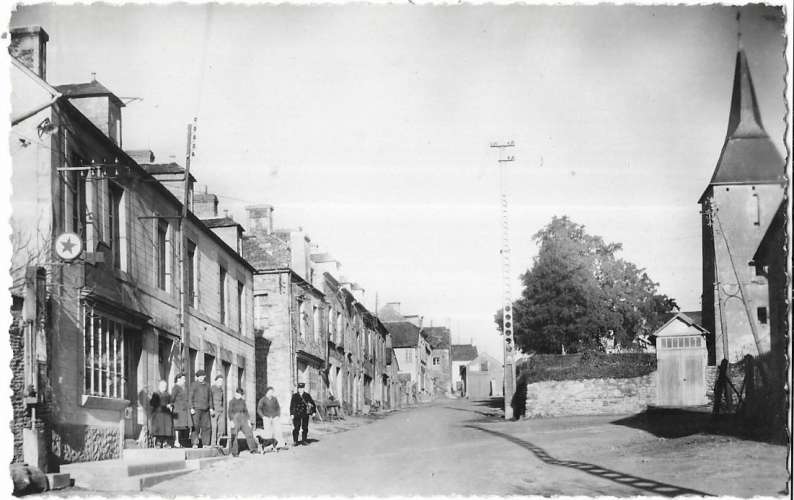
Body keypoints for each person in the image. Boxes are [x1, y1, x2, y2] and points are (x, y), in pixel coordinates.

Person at [227, 388, 259, 456]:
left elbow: (246, 411)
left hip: (243, 418)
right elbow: (229, 412)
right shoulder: (231, 401)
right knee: (234, 435)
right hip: (235, 418)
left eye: (241, 395)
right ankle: (235, 452)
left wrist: (248, 421)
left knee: (249, 433)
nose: (240, 396)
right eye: (239, 394)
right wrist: (231, 421)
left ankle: (253, 449)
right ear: (236, 393)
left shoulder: (243, 401)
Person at [189, 369, 214, 448]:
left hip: (206, 409)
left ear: (204, 376)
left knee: (207, 426)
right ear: (197, 377)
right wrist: (191, 407)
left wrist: (211, 408)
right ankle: (195, 443)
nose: (201, 378)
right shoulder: (194, 385)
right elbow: (190, 397)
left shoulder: (207, 385)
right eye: (199, 377)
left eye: (202, 376)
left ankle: (205, 443)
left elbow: (210, 397)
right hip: (196, 409)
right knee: (195, 426)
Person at [150, 380, 174, 448]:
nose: (164, 387)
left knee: (166, 429)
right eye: (162, 386)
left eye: (165, 386)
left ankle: (166, 443)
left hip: (166, 415)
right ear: (159, 386)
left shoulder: (168, 394)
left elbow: (171, 402)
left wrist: (170, 405)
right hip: (158, 414)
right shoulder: (156, 394)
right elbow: (152, 403)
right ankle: (158, 443)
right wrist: (162, 405)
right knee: (159, 429)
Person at [171, 373, 189, 448]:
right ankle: (176, 442)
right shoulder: (176, 387)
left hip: (182, 410)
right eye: (183, 379)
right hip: (178, 410)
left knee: (181, 427)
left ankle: (179, 442)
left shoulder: (182, 388)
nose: (184, 381)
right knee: (177, 427)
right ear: (178, 379)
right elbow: (172, 398)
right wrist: (171, 405)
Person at [210, 375, 226, 447]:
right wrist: (211, 409)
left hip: (220, 411)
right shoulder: (212, 388)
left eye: (222, 381)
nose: (221, 383)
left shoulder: (221, 390)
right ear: (215, 381)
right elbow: (210, 400)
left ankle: (218, 442)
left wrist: (222, 409)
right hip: (214, 411)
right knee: (214, 427)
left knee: (221, 428)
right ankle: (213, 443)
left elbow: (222, 400)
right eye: (219, 381)